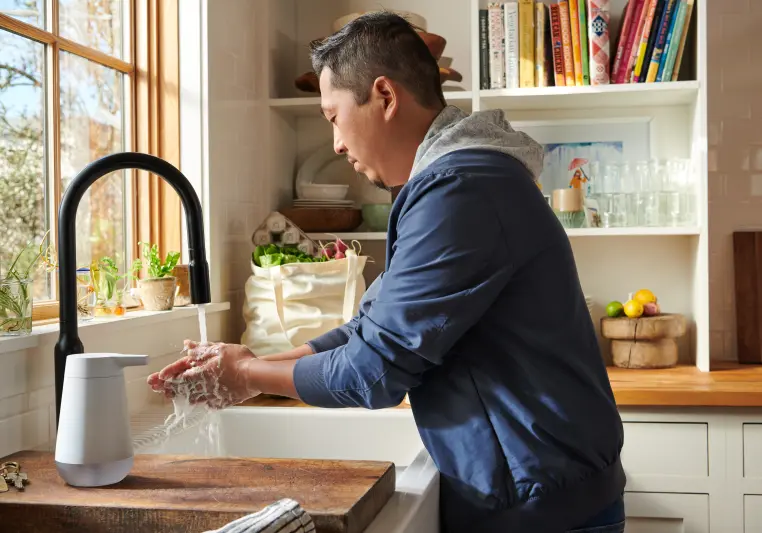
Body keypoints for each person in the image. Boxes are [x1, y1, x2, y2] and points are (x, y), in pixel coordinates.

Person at [148, 12, 625, 533]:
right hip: (537, 495)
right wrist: (253, 366)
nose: (334, 143)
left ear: (384, 96)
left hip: (540, 511)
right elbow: (372, 329)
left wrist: (243, 375)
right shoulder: (455, 180)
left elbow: (374, 372)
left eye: (333, 117)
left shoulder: (460, 190)